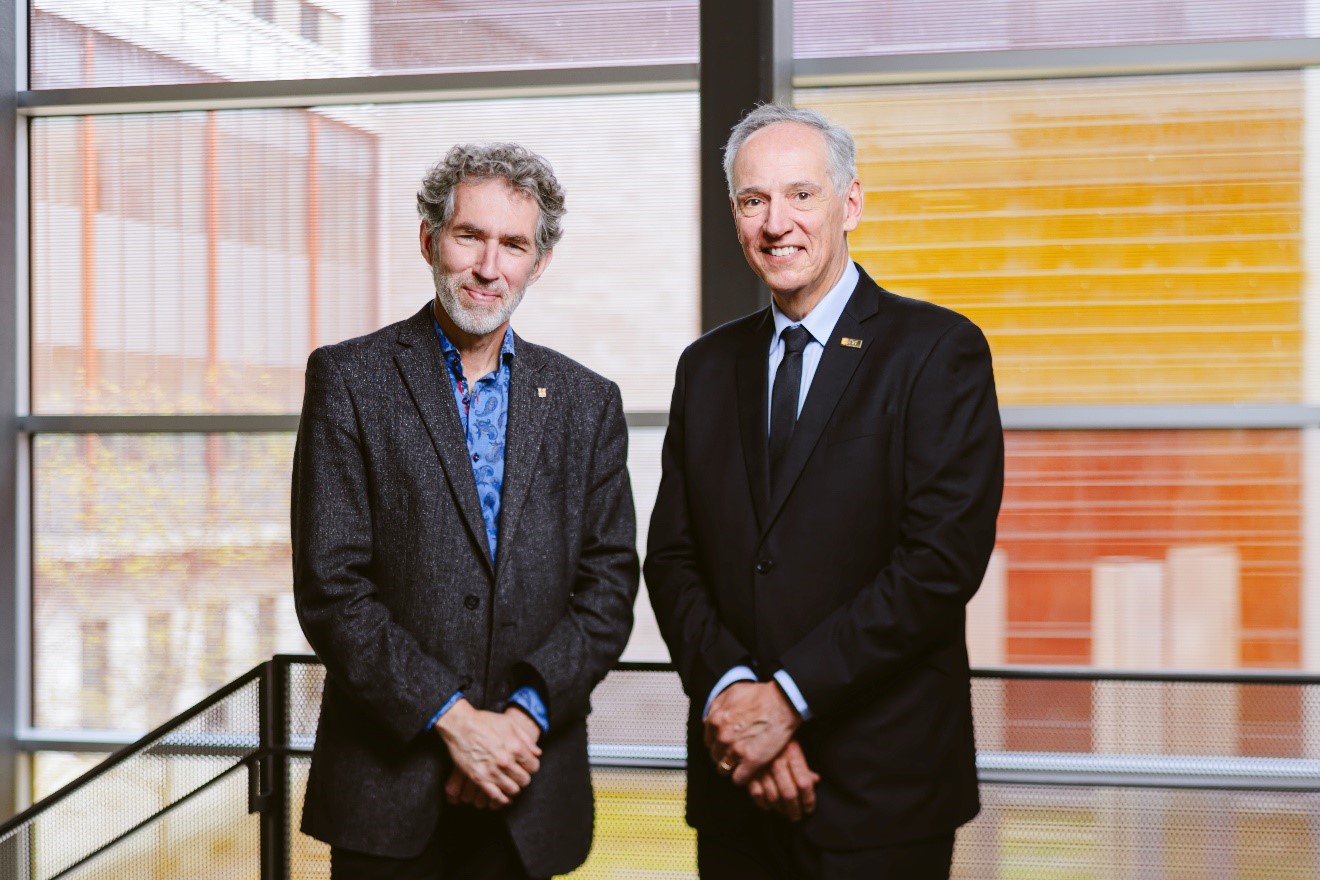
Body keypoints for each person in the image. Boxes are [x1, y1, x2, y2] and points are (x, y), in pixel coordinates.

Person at [645, 103, 1004, 879]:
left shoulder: (938, 351)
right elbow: (673, 560)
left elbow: (939, 563)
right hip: (737, 780)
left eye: (801, 195)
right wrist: (739, 700)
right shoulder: (705, 368)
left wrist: (788, 701)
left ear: (851, 204)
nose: (778, 223)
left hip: (879, 794)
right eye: (753, 200)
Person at [292, 143, 639, 880]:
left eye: (513, 244)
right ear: (429, 239)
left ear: (539, 261)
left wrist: (516, 725)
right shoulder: (349, 381)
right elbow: (332, 587)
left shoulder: (587, 402)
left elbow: (608, 590)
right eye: (469, 236)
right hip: (387, 794)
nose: (489, 266)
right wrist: (453, 722)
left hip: (527, 784)